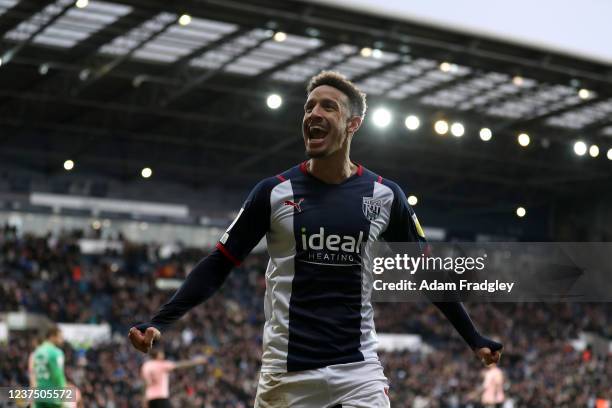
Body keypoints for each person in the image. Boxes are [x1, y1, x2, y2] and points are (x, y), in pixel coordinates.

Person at [129, 71, 502, 407]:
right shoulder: (273, 192)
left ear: (353, 123)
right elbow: (218, 263)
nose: (313, 114)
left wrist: (473, 336)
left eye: (328, 107)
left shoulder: (386, 195)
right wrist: (160, 320)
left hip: (359, 371)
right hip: (287, 375)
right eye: (309, 107)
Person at [140, 350, 207, 408]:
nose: (163, 356)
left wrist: (144, 399)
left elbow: (145, 383)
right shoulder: (161, 364)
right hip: (160, 397)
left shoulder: (146, 366)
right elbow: (181, 365)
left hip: (150, 398)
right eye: (161, 354)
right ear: (157, 355)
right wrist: (197, 362)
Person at [30, 326, 66, 408]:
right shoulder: (56, 352)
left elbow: (33, 375)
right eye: (60, 337)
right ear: (52, 336)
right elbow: (58, 376)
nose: (62, 340)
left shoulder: (37, 352)